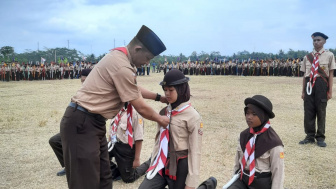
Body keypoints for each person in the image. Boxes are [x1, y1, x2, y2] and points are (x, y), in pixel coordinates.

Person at [60, 25, 169, 189]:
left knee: (104, 179)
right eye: (147, 58)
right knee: (85, 183)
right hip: (82, 123)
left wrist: (159, 98)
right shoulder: (121, 65)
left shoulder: (121, 59)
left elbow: (132, 88)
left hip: (93, 124)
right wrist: (162, 120)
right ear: (138, 48)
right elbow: (140, 106)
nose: (147, 62)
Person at [139, 69, 217, 189]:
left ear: (181, 90)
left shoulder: (193, 116)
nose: (167, 94)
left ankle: (206, 186)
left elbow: (195, 152)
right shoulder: (164, 112)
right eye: (165, 90)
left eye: (171, 90)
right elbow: (158, 141)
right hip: (161, 162)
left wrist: (191, 183)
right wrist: (154, 161)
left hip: (180, 165)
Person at [225, 95, 284, 189]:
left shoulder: (274, 142)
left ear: (263, 115)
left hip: (261, 183)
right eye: (247, 113)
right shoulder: (243, 135)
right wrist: (233, 180)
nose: (249, 117)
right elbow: (237, 163)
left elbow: (278, 172)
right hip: (243, 180)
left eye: (254, 114)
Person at [49, 69, 92, 177]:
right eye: (82, 81)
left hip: (88, 128)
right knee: (54, 141)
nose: (83, 83)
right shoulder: (81, 92)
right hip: (74, 126)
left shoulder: (97, 92)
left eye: (85, 80)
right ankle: (68, 166)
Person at [299, 32, 335, 147]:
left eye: (319, 40)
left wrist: (330, 91)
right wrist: (303, 91)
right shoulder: (307, 57)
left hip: (321, 84)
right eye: (314, 40)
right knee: (308, 111)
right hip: (309, 84)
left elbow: (330, 74)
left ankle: (320, 137)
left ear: (324, 41)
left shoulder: (329, 55)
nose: (316, 42)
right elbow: (305, 75)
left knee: (321, 111)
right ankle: (309, 136)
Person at [108, 103, 150, 183]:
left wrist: (137, 159)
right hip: (114, 143)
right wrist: (107, 145)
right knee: (98, 154)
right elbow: (112, 128)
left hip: (126, 148)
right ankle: (116, 171)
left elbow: (139, 138)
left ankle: (149, 163)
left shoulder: (136, 113)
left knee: (128, 178)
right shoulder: (117, 108)